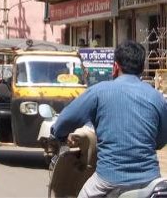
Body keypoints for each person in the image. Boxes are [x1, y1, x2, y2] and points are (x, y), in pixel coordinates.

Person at [51, 40, 167, 198]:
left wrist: (60, 136)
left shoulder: (99, 92)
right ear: (141, 68)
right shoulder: (156, 97)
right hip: (150, 181)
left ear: (116, 67)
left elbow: (63, 123)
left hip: (108, 181)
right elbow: (160, 141)